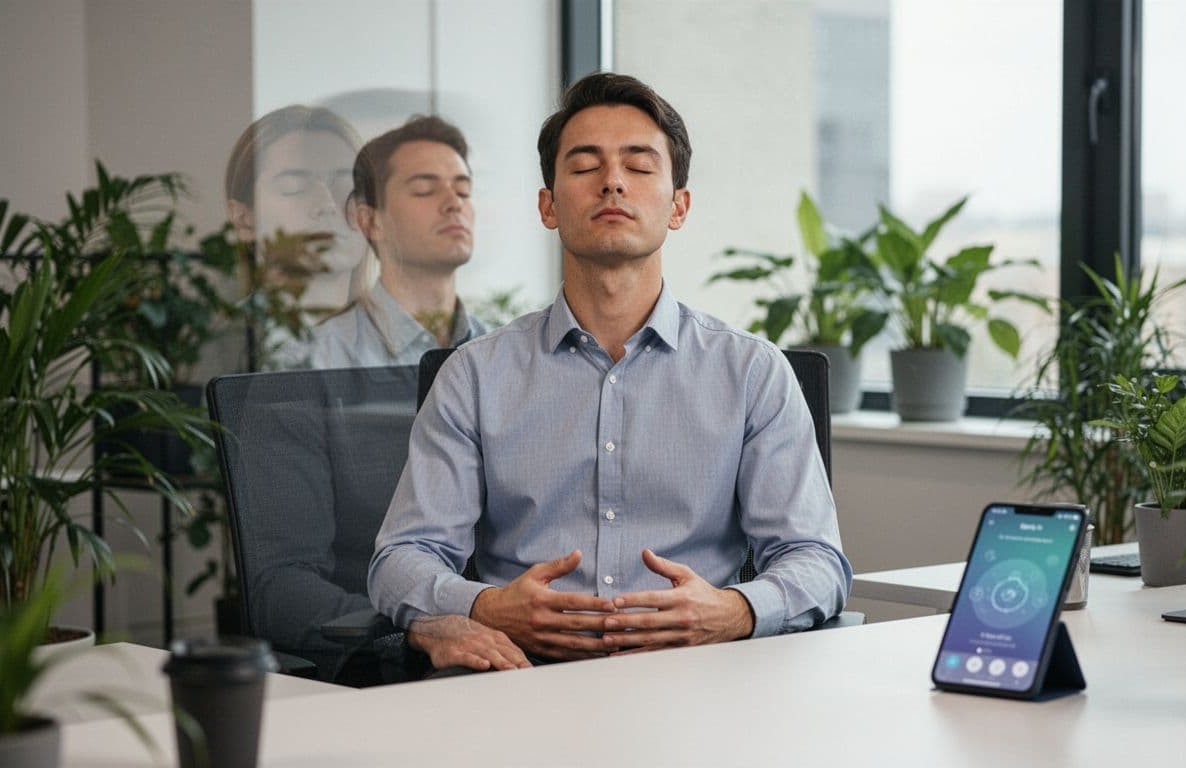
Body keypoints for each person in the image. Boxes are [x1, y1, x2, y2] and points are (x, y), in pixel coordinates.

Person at [369, 72, 851, 665]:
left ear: (679, 206)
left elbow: (817, 559)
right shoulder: (474, 376)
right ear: (548, 205)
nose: (613, 182)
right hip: (521, 679)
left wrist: (735, 612)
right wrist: (483, 607)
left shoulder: (753, 373)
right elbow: (401, 558)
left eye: (640, 165)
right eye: (584, 166)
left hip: (695, 680)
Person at [310, 116, 486, 368]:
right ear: (370, 221)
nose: (454, 203)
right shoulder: (322, 357)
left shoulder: (502, 352)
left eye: (463, 191)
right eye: (424, 189)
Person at [225, 105, 373, 369]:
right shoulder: (219, 347)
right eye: (294, 186)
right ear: (243, 219)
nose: (327, 203)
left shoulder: (412, 343)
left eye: (347, 186)